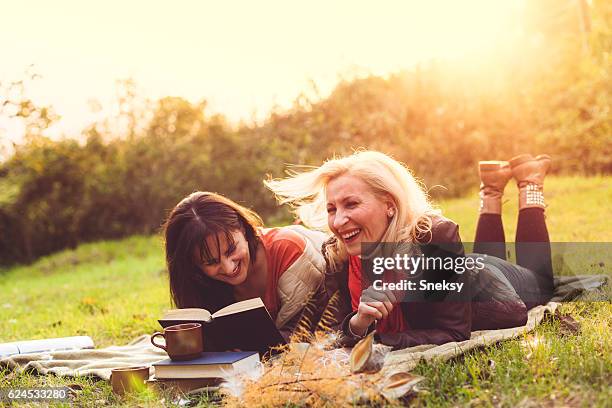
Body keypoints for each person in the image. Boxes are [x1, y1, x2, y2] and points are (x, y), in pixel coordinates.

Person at [265, 151, 554, 349]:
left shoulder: (436, 238)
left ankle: (529, 182)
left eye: (351, 204)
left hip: (494, 286)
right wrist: (359, 322)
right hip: (470, 272)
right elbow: (335, 330)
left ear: (390, 204)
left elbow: (455, 332)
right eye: (332, 208)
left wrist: (380, 340)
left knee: (542, 283)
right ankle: (490, 189)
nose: (338, 221)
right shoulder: (341, 255)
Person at [162, 191, 328, 342]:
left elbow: (303, 334)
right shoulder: (198, 280)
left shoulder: (290, 250)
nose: (228, 268)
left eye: (231, 249)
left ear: (243, 230)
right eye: (211, 262)